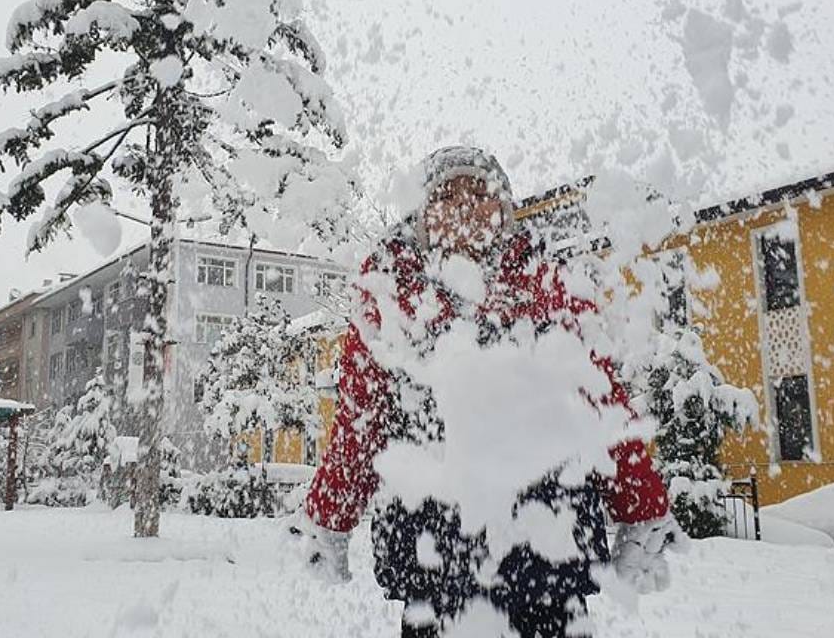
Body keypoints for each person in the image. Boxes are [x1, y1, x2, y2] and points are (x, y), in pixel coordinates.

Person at [292, 147, 681, 637]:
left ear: (504, 209)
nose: (464, 206)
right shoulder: (391, 292)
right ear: (422, 212)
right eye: (446, 194)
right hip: (433, 553)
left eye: (479, 192)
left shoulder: (546, 282)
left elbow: (600, 401)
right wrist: (330, 518)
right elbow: (359, 420)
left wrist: (641, 508)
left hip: (548, 549)